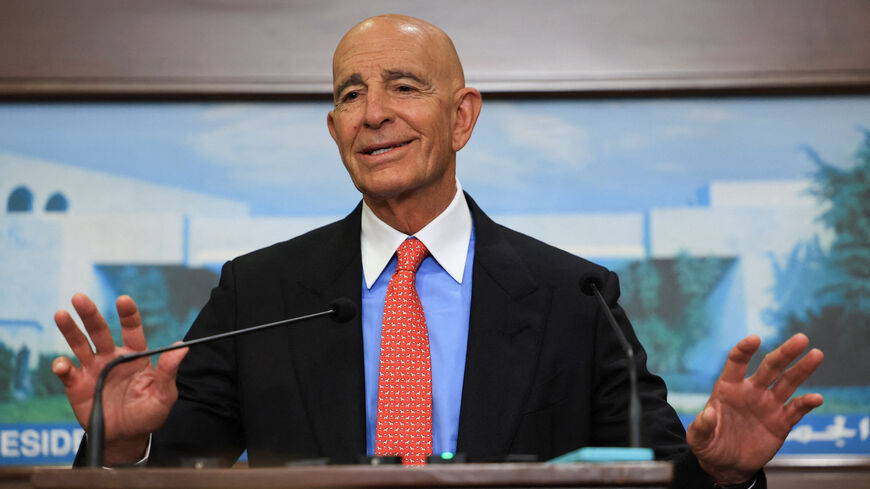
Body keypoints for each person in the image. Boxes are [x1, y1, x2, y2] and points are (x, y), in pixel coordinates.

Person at [52, 14, 824, 488]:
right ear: (334, 130)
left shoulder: (575, 295)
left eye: (403, 86)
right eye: (350, 94)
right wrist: (123, 443)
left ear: (462, 117)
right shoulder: (259, 291)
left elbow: (658, 474)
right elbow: (175, 474)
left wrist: (725, 473)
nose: (373, 113)